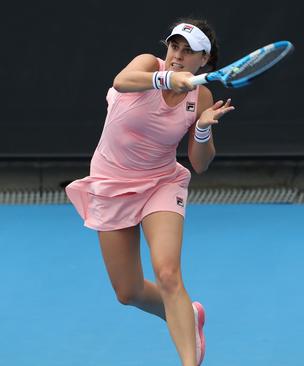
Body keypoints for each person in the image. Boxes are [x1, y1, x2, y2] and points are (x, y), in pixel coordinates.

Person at [65, 18, 234, 366]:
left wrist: (202, 129)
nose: (178, 55)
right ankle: (185, 313)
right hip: (111, 184)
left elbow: (200, 163)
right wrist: (169, 78)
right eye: (175, 47)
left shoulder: (201, 95)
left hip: (161, 183)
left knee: (168, 272)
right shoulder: (147, 66)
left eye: (189, 53)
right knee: (128, 292)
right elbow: (121, 81)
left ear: (204, 61)